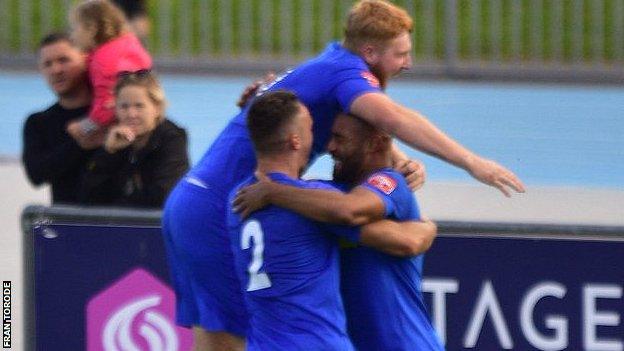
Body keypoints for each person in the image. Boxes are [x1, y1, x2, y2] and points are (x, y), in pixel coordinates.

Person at [163, 0, 523, 347]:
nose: (407, 63)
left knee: (216, 337)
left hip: (192, 201)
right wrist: (473, 163)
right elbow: (393, 118)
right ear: (369, 53)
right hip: (221, 206)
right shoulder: (347, 74)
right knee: (233, 339)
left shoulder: (330, 63)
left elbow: (369, 125)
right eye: (400, 54)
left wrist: (392, 154)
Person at [225, 91, 437, 350]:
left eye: (339, 138)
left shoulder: (240, 199)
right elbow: (409, 240)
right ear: (294, 141)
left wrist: (273, 190)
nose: (328, 147)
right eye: (320, 132)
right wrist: (426, 229)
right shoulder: (318, 202)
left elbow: (356, 211)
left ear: (375, 144)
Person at [78, 71, 189, 208]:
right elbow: (87, 197)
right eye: (124, 106)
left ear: (157, 109)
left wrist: (117, 205)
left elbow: (163, 197)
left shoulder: (172, 139)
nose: (131, 114)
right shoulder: (116, 138)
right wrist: (108, 152)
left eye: (139, 106)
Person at [22, 32, 103, 204]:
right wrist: (80, 144)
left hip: (117, 222)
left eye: (64, 60)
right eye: (47, 64)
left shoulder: (113, 114)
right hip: (66, 224)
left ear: (85, 58)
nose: (56, 70)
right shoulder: (39, 122)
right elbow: (36, 174)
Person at [66, 0, 152, 140]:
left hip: (127, 126)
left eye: (75, 28)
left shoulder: (103, 61)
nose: (72, 35)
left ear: (91, 29)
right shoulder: (126, 42)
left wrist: (85, 126)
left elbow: (106, 105)